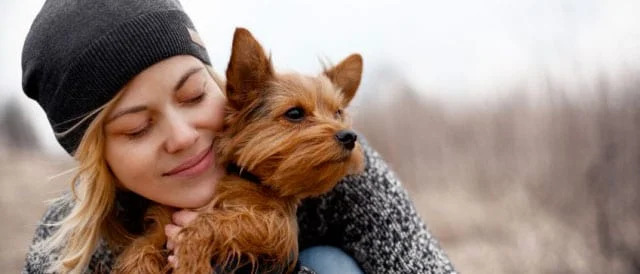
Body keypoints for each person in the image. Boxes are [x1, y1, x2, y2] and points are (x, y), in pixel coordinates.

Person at [21, 0, 456, 273]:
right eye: (138, 128)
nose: (183, 136)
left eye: (193, 96)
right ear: (97, 158)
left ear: (223, 85)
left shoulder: (342, 167)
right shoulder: (66, 247)